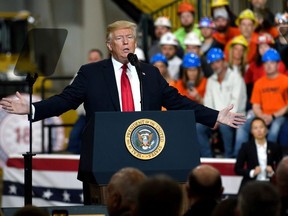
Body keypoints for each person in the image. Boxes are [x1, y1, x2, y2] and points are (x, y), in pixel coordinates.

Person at [0, 20, 246, 204]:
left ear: (136, 42)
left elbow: (177, 101)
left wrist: (214, 116)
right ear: (109, 45)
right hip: (105, 159)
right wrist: (31, 108)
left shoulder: (149, 73)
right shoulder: (91, 73)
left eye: (130, 37)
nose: (126, 41)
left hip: (147, 159)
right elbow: (66, 100)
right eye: (120, 38)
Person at [234, 48, 288, 157]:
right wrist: (262, 116)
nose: (268, 65)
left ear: (278, 65)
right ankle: (238, 156)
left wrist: (272, 116)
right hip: (261, 114)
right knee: (242, 125)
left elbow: (287, 106)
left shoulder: (285, 81)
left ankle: (268, 157)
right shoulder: (259, 83)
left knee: (274, 129)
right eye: (266, 63)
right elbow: (255, 105)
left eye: (272, 63)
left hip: (279, 115)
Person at [196, 48, 247, 158]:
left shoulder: (236, 78)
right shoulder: (211, 80)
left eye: (218, 61)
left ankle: (229, 157)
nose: (215, 65)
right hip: (217, 117)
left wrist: (219, 119)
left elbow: (236, 103)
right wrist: (213, 117)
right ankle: (207, 158)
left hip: (235, 116)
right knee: (198, 127)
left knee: (225, 126)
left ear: (224, 61)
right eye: (212, 63)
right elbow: (208, 102)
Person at [67, 48, 103, 154]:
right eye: (90, 59)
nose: (92, 61)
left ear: (102, 59)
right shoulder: (81, 74)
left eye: (95, 59)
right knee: (74, 138)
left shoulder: (107, 75)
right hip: (84, 116)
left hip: (101, 117)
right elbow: (70, 93)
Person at [234, 117, 283, 190]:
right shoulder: (246, 146)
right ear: (251, 131)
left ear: (266, 129)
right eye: (255, 128)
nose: (259, 130)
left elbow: (281, 168)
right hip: (251, 183)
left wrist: (272, 172)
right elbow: (237, 168)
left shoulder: (275, 147)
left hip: (270, 184)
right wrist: (252, 172)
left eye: (261, 127)